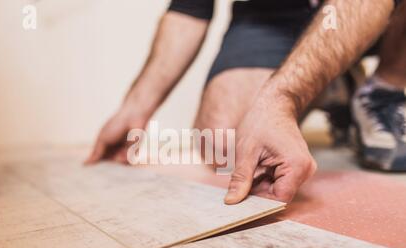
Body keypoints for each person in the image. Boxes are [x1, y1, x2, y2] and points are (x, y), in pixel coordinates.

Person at [86, 0, 405, 204]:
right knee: (223, 146)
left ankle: (388, 86)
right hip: (274, 14)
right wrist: (136, 108)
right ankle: (335, 80)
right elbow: (190, 8)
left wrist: (279, 99)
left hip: (382, 13)